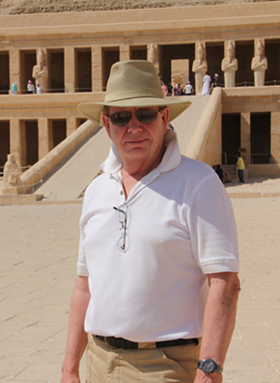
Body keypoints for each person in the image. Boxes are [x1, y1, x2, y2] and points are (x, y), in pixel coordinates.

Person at [61, 60, 240, 383]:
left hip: (164, 364)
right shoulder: (97, 189)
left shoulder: (197, 182)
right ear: (106, 124)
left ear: (164, 117)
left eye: (145, 114)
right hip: (99, 363)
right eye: (120, 117)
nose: (134, 127)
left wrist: (210, 369)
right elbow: (84, 287)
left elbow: (225, 282)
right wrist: (70, 369)